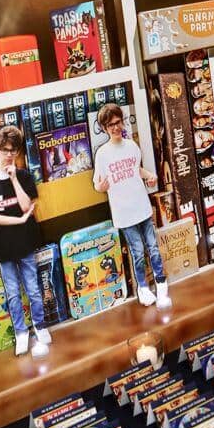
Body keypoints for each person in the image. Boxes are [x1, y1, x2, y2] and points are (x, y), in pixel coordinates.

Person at [0, 125, 51, 357]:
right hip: (4, 247)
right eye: (5, 150)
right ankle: (21, 332)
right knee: (12, 293)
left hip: (25, 242)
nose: (9, 155)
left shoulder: (25, 176)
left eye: (14, 150)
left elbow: (27, 206)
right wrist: (18, 221)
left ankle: (39, 325)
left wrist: (14, 180)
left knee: (33, 289)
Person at [93, 103, 172, 310]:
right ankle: (143, 289)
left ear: (123, 121)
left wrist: (151, 176)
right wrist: (101, 187)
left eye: (118, 122)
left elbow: (136, 169)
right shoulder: (102, 154)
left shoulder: (132, 146)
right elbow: (97, 184)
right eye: (110, 125)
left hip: (142, 207)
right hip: (124, 214)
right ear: (104, 128)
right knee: (137, 252)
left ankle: (161, 285)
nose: (115, 127)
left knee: (153, 248)